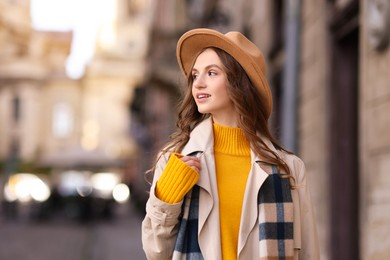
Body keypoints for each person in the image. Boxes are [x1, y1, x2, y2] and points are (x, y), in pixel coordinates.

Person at [141, 28, 319, 260]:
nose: (198, 84)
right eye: (195, 75)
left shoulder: (288, 170)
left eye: (212, 73)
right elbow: (156, 253)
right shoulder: (176, 160)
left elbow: (308, 253)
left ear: (239, 82)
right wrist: (167, 199)